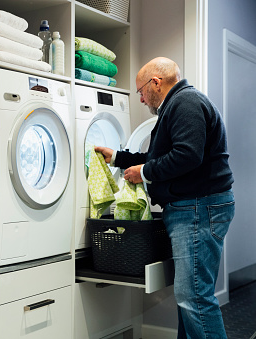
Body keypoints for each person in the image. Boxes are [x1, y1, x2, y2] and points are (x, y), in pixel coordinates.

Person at [95, 57, 235, 339]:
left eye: (141, 92)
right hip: (198, 206)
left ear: (156, 83)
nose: (142, 99)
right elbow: (161, 156)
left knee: (193, 297)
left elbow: (187, 156)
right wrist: (120, 158)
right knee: (190, 297)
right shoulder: (180, 104)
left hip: (197, 207)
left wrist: (144, 172)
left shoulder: (185, 103)